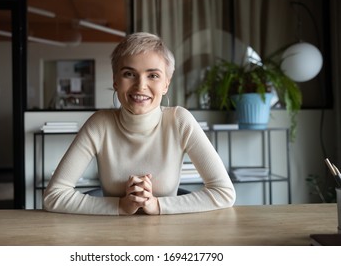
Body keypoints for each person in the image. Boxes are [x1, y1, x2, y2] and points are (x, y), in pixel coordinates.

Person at [43, 32, 236, 215]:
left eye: (153, 75)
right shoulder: (100, 123)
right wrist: (120, 206)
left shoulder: (180, 121)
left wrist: (157, 205)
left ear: (166, 84)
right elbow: (53, 196)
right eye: (129, 74)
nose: (140, 85)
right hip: (112, 236)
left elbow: (224, 192)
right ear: (115, 81)